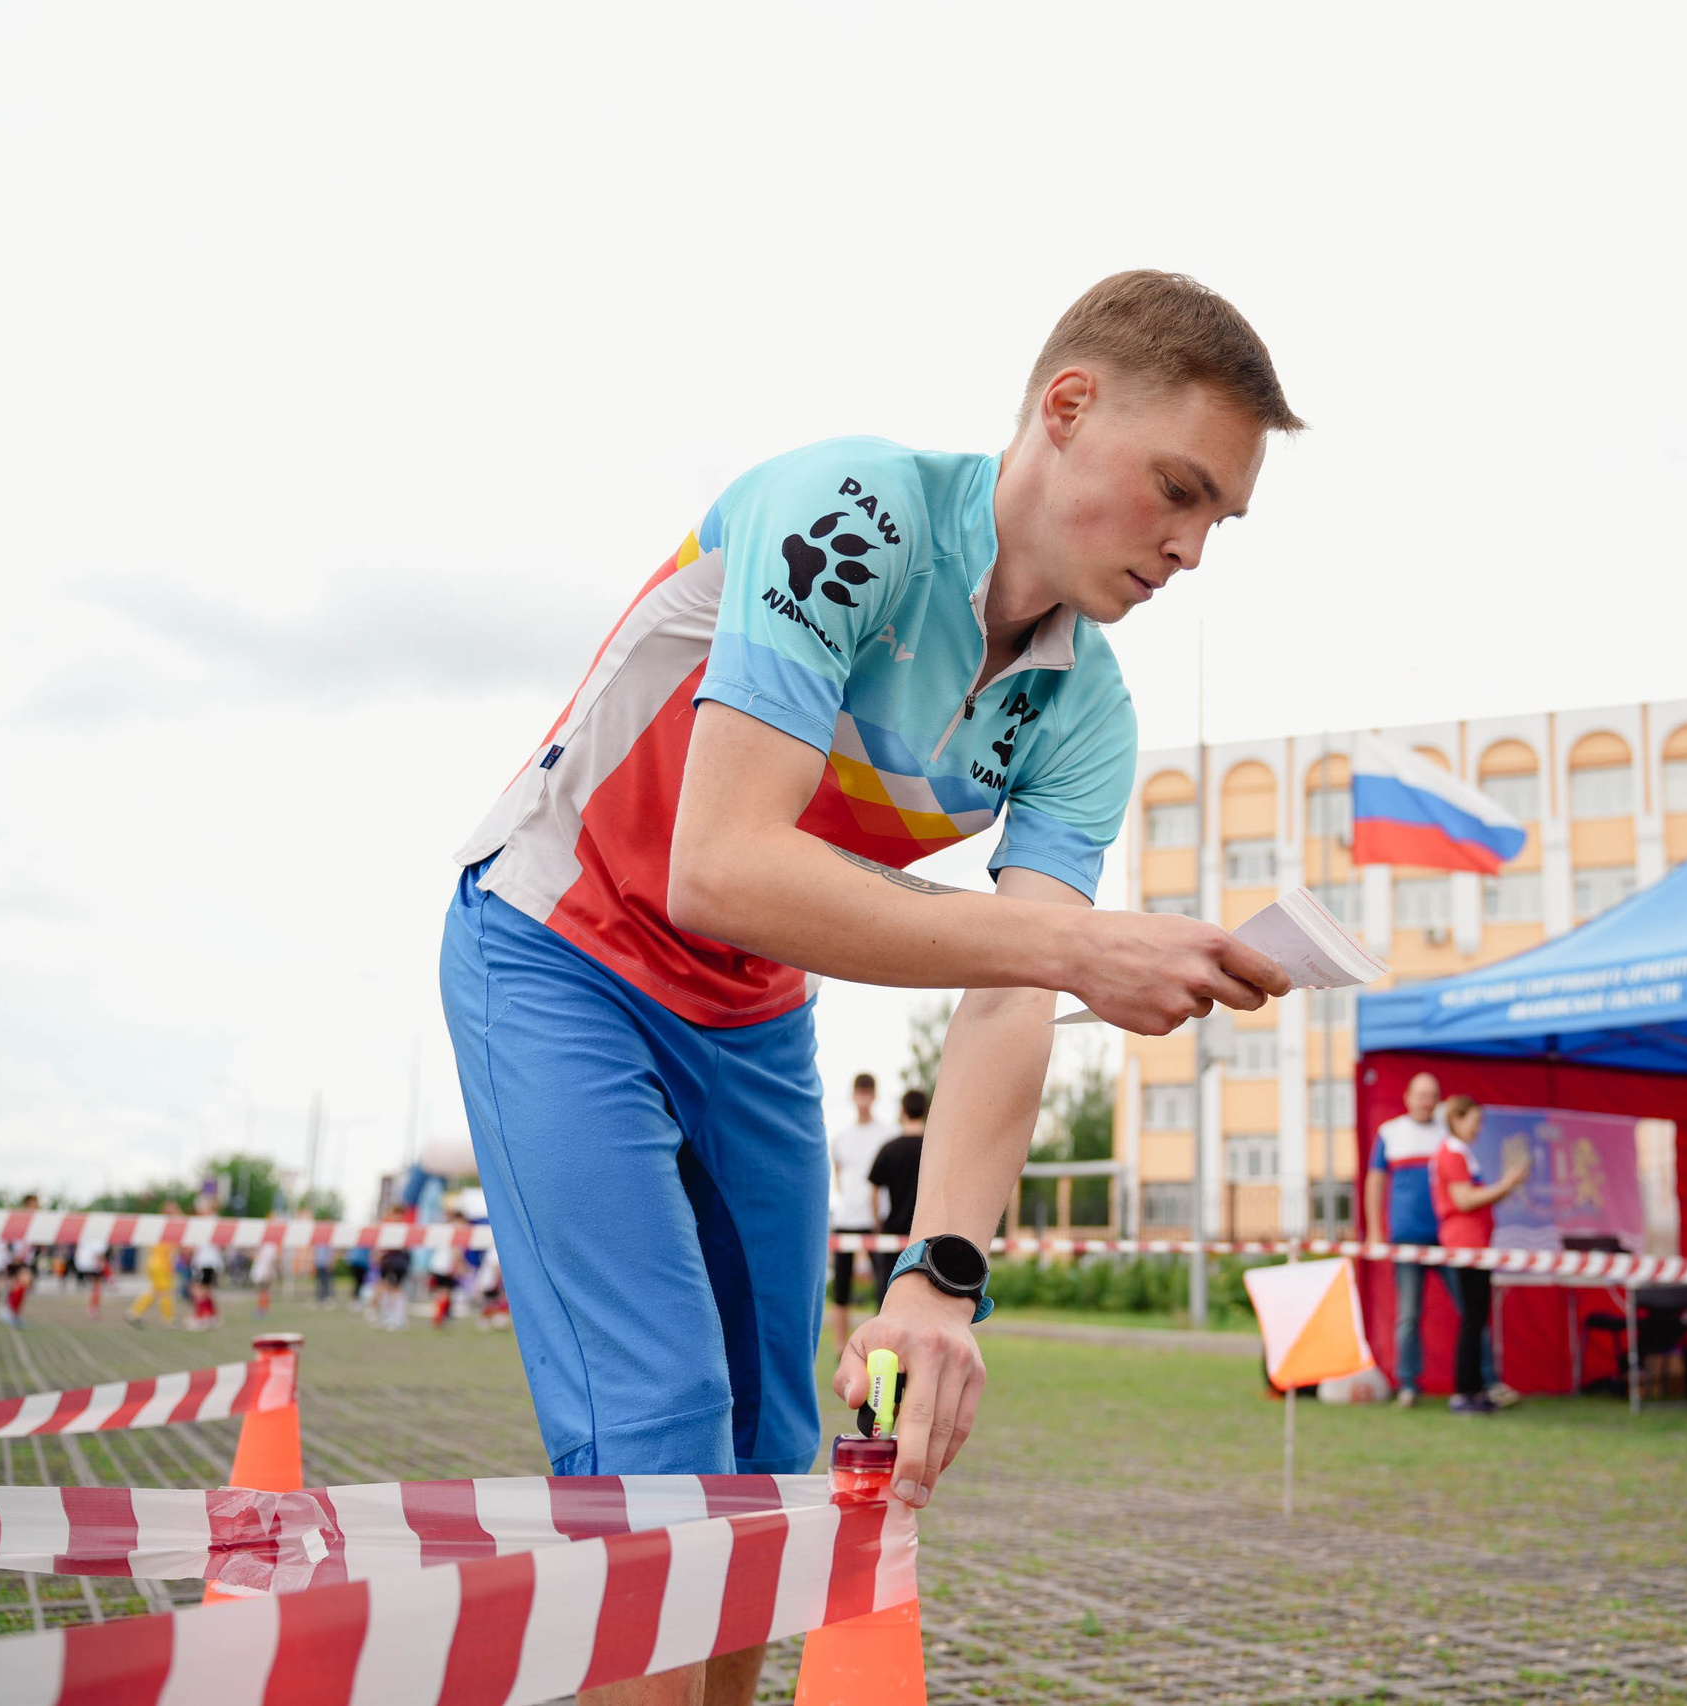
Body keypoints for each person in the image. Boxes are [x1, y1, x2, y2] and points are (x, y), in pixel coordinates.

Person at [437, 270, 1298, 1706]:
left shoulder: (1085, 705)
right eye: (1178, 489)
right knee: (662, 1430)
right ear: (1066, 408)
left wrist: (939, 1278)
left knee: (770, 1460)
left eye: (1222, 519)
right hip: (559, 950)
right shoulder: (852, 511)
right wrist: (1081, 948)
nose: (1193, 548)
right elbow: (722, 864)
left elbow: (1013, 989)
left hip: (752, 1012)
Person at [1431, 1096, 1530, 1415]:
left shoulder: (1459, 1152)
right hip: (1466, 1245)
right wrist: (1507, 1184)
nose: (1478, 1128)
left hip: (1474, 1244)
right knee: (1473, 1319)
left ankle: (1474, 1390)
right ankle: (1466, 1392)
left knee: (1476, 1318)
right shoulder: (1452, 1153)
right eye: (1474, 1121)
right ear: (1457, 1119)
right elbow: (1464, 1200)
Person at [1364, 1072, 1445, 1407]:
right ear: (1408, 1097)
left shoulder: (1447, 1132)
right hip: (1406, 1237)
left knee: (1471, 1309)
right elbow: (1375, 1181)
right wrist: (1375, 1230)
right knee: (1408, 1315)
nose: (1425, 1101)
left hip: (1447, 1238)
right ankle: (1408, 1384)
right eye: (1420, 1095)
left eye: (1431, 1095)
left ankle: (1483, 1380)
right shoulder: (1390, 1132)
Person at [827, 1072, 898, 1347]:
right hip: (846, 1219)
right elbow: (838, 1177)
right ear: (853, 1096)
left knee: (883, 1288)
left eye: (867, 1094)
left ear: (874, 1096)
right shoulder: (841, 1138)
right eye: (860, 1093)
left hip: (875, 1221)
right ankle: (840, 1349)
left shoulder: (888, 1134)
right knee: (841, 1291)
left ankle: (881, 1344)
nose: (863, 1100)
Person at [867, 1090, 931, 1298]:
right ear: (925, 1110)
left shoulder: (889, 1149)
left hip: (893, 1229)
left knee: (888, 1292)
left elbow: (874, 1190)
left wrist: (877, 1221)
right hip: (927, 1231)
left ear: (903, 1111)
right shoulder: (933, 1149)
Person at [129, 1202, 182, 1328]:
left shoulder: (160, 1226)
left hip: (155, 1262)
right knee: (165, 1292)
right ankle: (168, 1319)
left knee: (155, 1291)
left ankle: (134, 1312)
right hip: (161, 1263)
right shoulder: (169, 1226)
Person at [75, 1233, 109, 1320]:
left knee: (95, 1288)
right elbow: (99, 1256)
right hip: (91, 1266)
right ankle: (93, 1309)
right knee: (96, 1288)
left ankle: (93, 1309)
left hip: (81, 1265)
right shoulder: (101, 1240)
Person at [249, 1239, 277, 1319]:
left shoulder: (269, 1247)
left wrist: (268, 1272)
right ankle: (261, 1308)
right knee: (262, 1291)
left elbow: (270, 1261)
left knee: (264, 1292)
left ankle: (264, 1309)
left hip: (264, 1273)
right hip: (261, 1272)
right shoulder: (263, 1246)